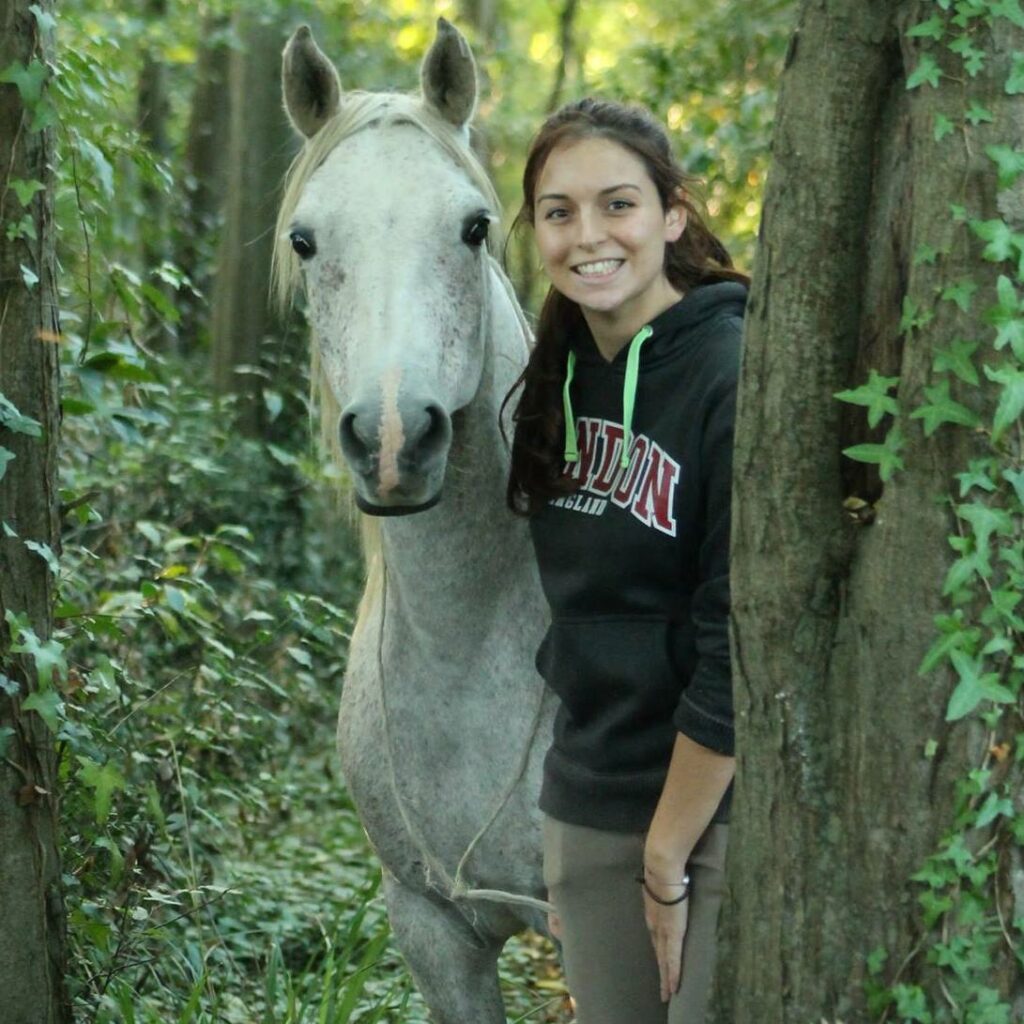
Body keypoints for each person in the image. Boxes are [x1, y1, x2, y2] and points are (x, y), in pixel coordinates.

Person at [504, 98, 748, 1024]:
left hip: (710, 817)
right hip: (587, 803)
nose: (587, 236)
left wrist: (667, 852)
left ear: (672, 215)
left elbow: (736, 633)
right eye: (559, 212)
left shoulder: (729, 369)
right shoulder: (556, 380)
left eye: (618, 204)